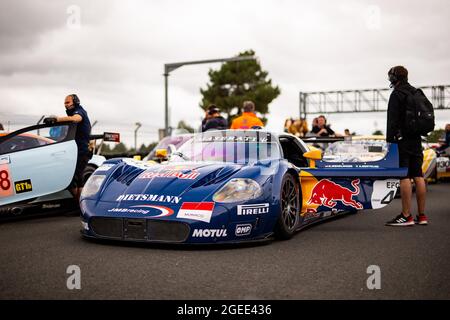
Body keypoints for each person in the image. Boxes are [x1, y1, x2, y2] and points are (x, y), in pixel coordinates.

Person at [385, 66, 428, 226]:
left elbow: (392, 120)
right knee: (418, 175)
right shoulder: (416, 92)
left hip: (402, 140)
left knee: (404, 176)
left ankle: (406, 215)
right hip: (416, 139)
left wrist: (390, 140)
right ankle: (422, 216)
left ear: (393, 78)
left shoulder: (397, 94)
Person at [44, 94, 92, 201]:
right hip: (77, 150)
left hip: (82, 151)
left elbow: (76, 118)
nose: (65, 105)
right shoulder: (77, 112)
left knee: (71, 177)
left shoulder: (79, 112)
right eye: (64, 103)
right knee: (77, 178)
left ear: (75, 102)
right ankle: (79, 204)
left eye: (68, 102)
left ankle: (80, 204)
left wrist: (57, 119)